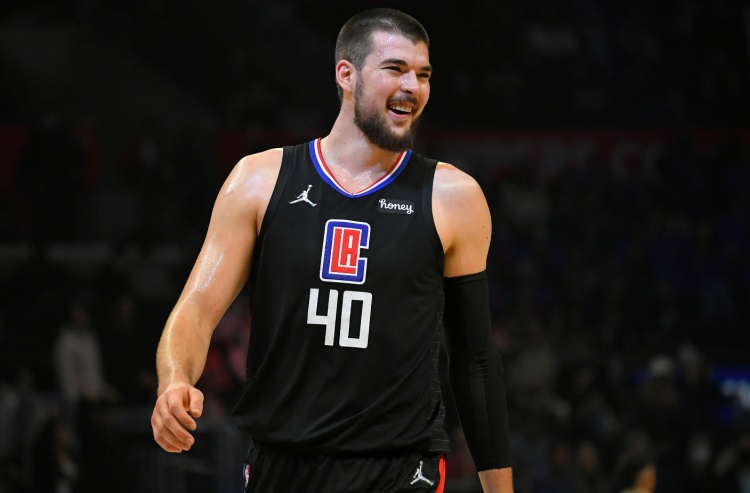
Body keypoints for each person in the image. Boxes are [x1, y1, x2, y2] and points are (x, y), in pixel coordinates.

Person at [151, 8, 513, 492]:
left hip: (400, 469)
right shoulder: (259, 180)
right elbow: (196, 310)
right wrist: (174, 380)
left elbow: (475, 360)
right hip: (281, 464)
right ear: (346, 74)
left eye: (423, 74)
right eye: (395, 69)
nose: (413, 87)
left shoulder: (453, 196)